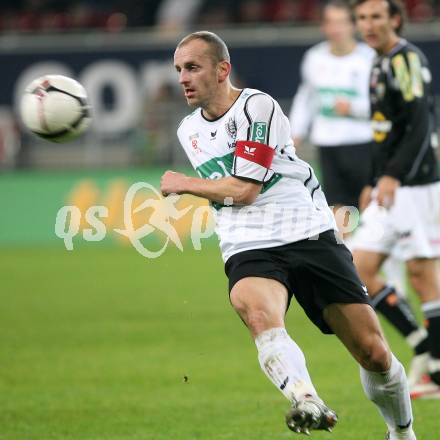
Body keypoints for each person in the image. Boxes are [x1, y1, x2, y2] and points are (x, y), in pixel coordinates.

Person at [161, 31, 416, 438]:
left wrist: (184, 183)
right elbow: (235, 201)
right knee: (258, 313)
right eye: (178, 70)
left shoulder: (257, 107)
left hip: (307, 231)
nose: (182, 78)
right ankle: (305, 398)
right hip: (247, 241)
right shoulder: (187, 130)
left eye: (192, 67)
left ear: (222, 69)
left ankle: (401, 432)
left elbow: (245, 189)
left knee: (374, 353)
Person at [350, 0, 440, 400]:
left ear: (395, 20)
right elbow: (385, 129)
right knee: (358, 268)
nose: (368, 25)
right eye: (362, 18)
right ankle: (423, 346)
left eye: (375, 17)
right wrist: (375, 178)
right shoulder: (378, 61)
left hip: (415, 186)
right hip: (390, 186)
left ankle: (436, 372)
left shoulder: (404, 60)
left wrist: (392, 174)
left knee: (421, 274)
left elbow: (420, 124)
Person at [289, 0, 374, 231]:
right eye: (330, 22)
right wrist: (295, 134)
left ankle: (374, 260)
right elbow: (306, 98)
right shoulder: (314, 57)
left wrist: (355, 109)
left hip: (363, 143)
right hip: (327, 144)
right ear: (323, 26)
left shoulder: (369, 59)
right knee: (337, 209)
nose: (335, 29)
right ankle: (347, 263)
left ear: (352, 26)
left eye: (341, 22)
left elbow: (385, 105)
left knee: (371, 208)